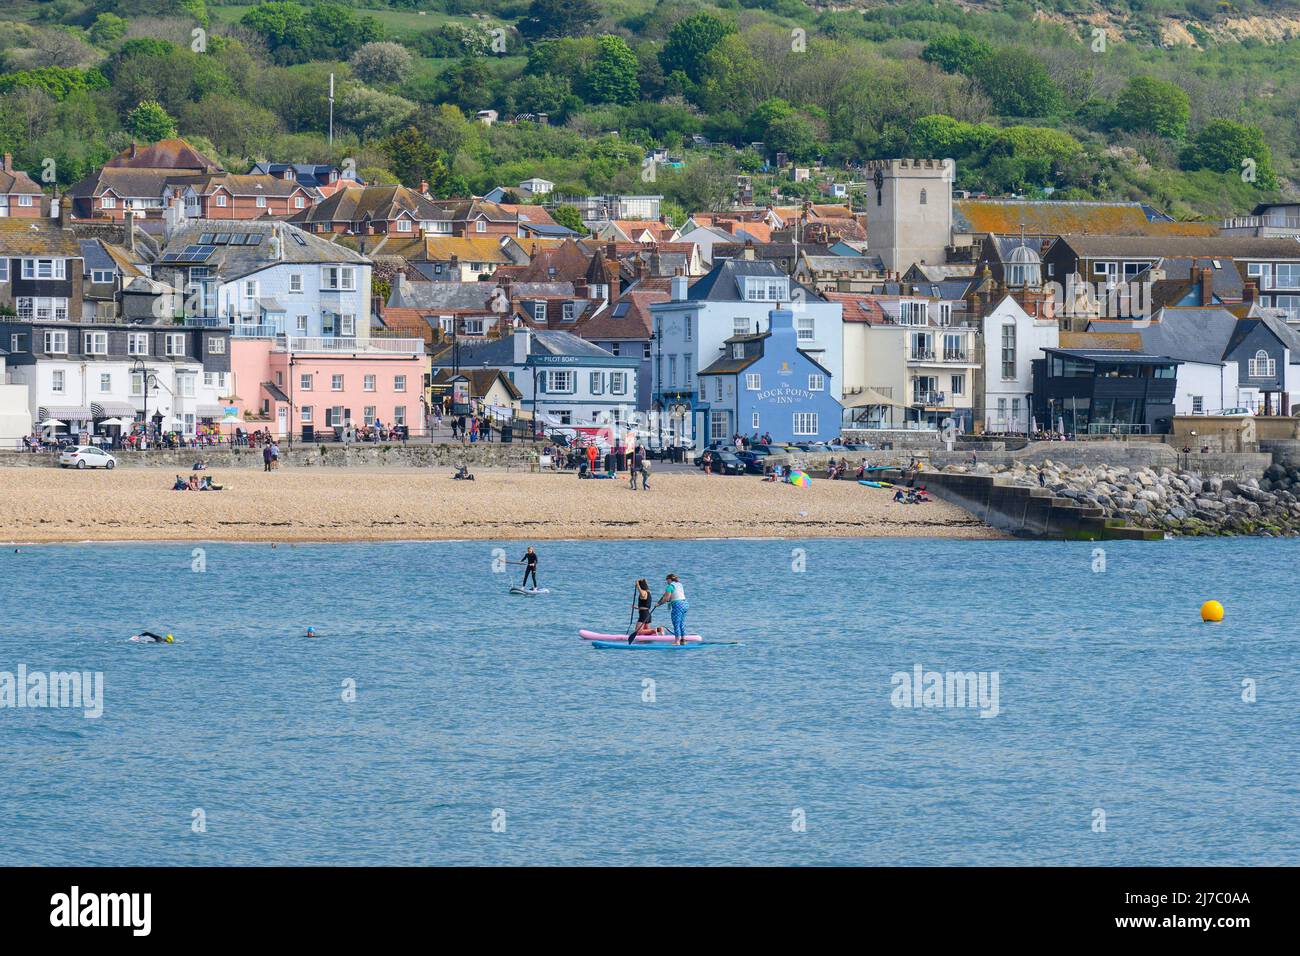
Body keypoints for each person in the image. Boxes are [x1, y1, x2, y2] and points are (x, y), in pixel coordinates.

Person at [656, 573, 689, 645]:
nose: (666, 582)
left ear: (670, 579)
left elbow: (666, 598)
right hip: (685, 604)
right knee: (681, 623)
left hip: (678, 605)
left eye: (667, 580)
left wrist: (659, 604)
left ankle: (677, 641)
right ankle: (683, 640)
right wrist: (659, 601)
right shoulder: (680, 584)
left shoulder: (669, 586)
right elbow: (665, 596)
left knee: (676, 623)